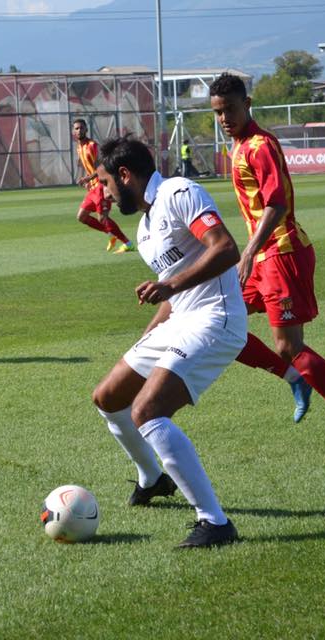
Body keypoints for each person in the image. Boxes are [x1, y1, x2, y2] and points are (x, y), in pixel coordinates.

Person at [209, 72, 325, 452]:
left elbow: (277, 204)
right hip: (263, 257)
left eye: (230, 110)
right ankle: (294, 378)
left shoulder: (259, 146)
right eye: (218, 113)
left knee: (288, 345)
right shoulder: (237, 146)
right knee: (218, 321)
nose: (224, 119)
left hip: (282, 254)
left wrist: (248, 253)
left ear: (247, 103)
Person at [90, 136, 243, 548]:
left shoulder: (179, 192)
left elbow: (227, 249)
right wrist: (148, 336)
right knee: (108, 396)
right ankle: (152, 479)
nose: (103, 195)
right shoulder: (143, 228)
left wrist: (169, 284)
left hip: (216, 320)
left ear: (125, 175)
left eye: (105, 183)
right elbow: (172, 296)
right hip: (180, 320)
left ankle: (215, 522)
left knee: (148, 410)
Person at [72, 119, 133, 253]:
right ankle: (111, 234)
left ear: (86, 129)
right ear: (73, 132)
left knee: (102, 218)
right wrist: (88, 181)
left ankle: (128, 243)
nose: (79, 130)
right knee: (81, 217)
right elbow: (89, 167)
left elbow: (103, 165)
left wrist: (90, 178)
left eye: (81, 128)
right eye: (76, 128)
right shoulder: (79, 147)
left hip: (100, 186)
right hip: (92, 187)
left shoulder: (93, 145)